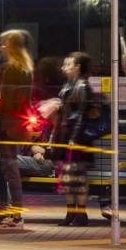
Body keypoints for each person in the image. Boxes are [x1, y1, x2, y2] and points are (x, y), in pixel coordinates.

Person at [43, 52, 105, 227]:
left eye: (68, 64)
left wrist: (74, 139)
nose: (64, 67)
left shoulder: (82, 87)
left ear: (77, 67)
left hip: (75, 139)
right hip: (68, 136)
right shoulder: (69, 86)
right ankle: (72, 212)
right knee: (69, 177)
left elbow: (81, 117)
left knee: (76, 177)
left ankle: (78, 213)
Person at [0, 30, 33, 228]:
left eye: (5, 44)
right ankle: (6, 212)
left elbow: (8, 100)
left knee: (9, 168)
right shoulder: (24, 68)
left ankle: (15, 213)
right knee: (4, 168)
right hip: (15, 125)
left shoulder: (12, 69)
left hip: (8, 125)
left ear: (13, 46)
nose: (2, 47)